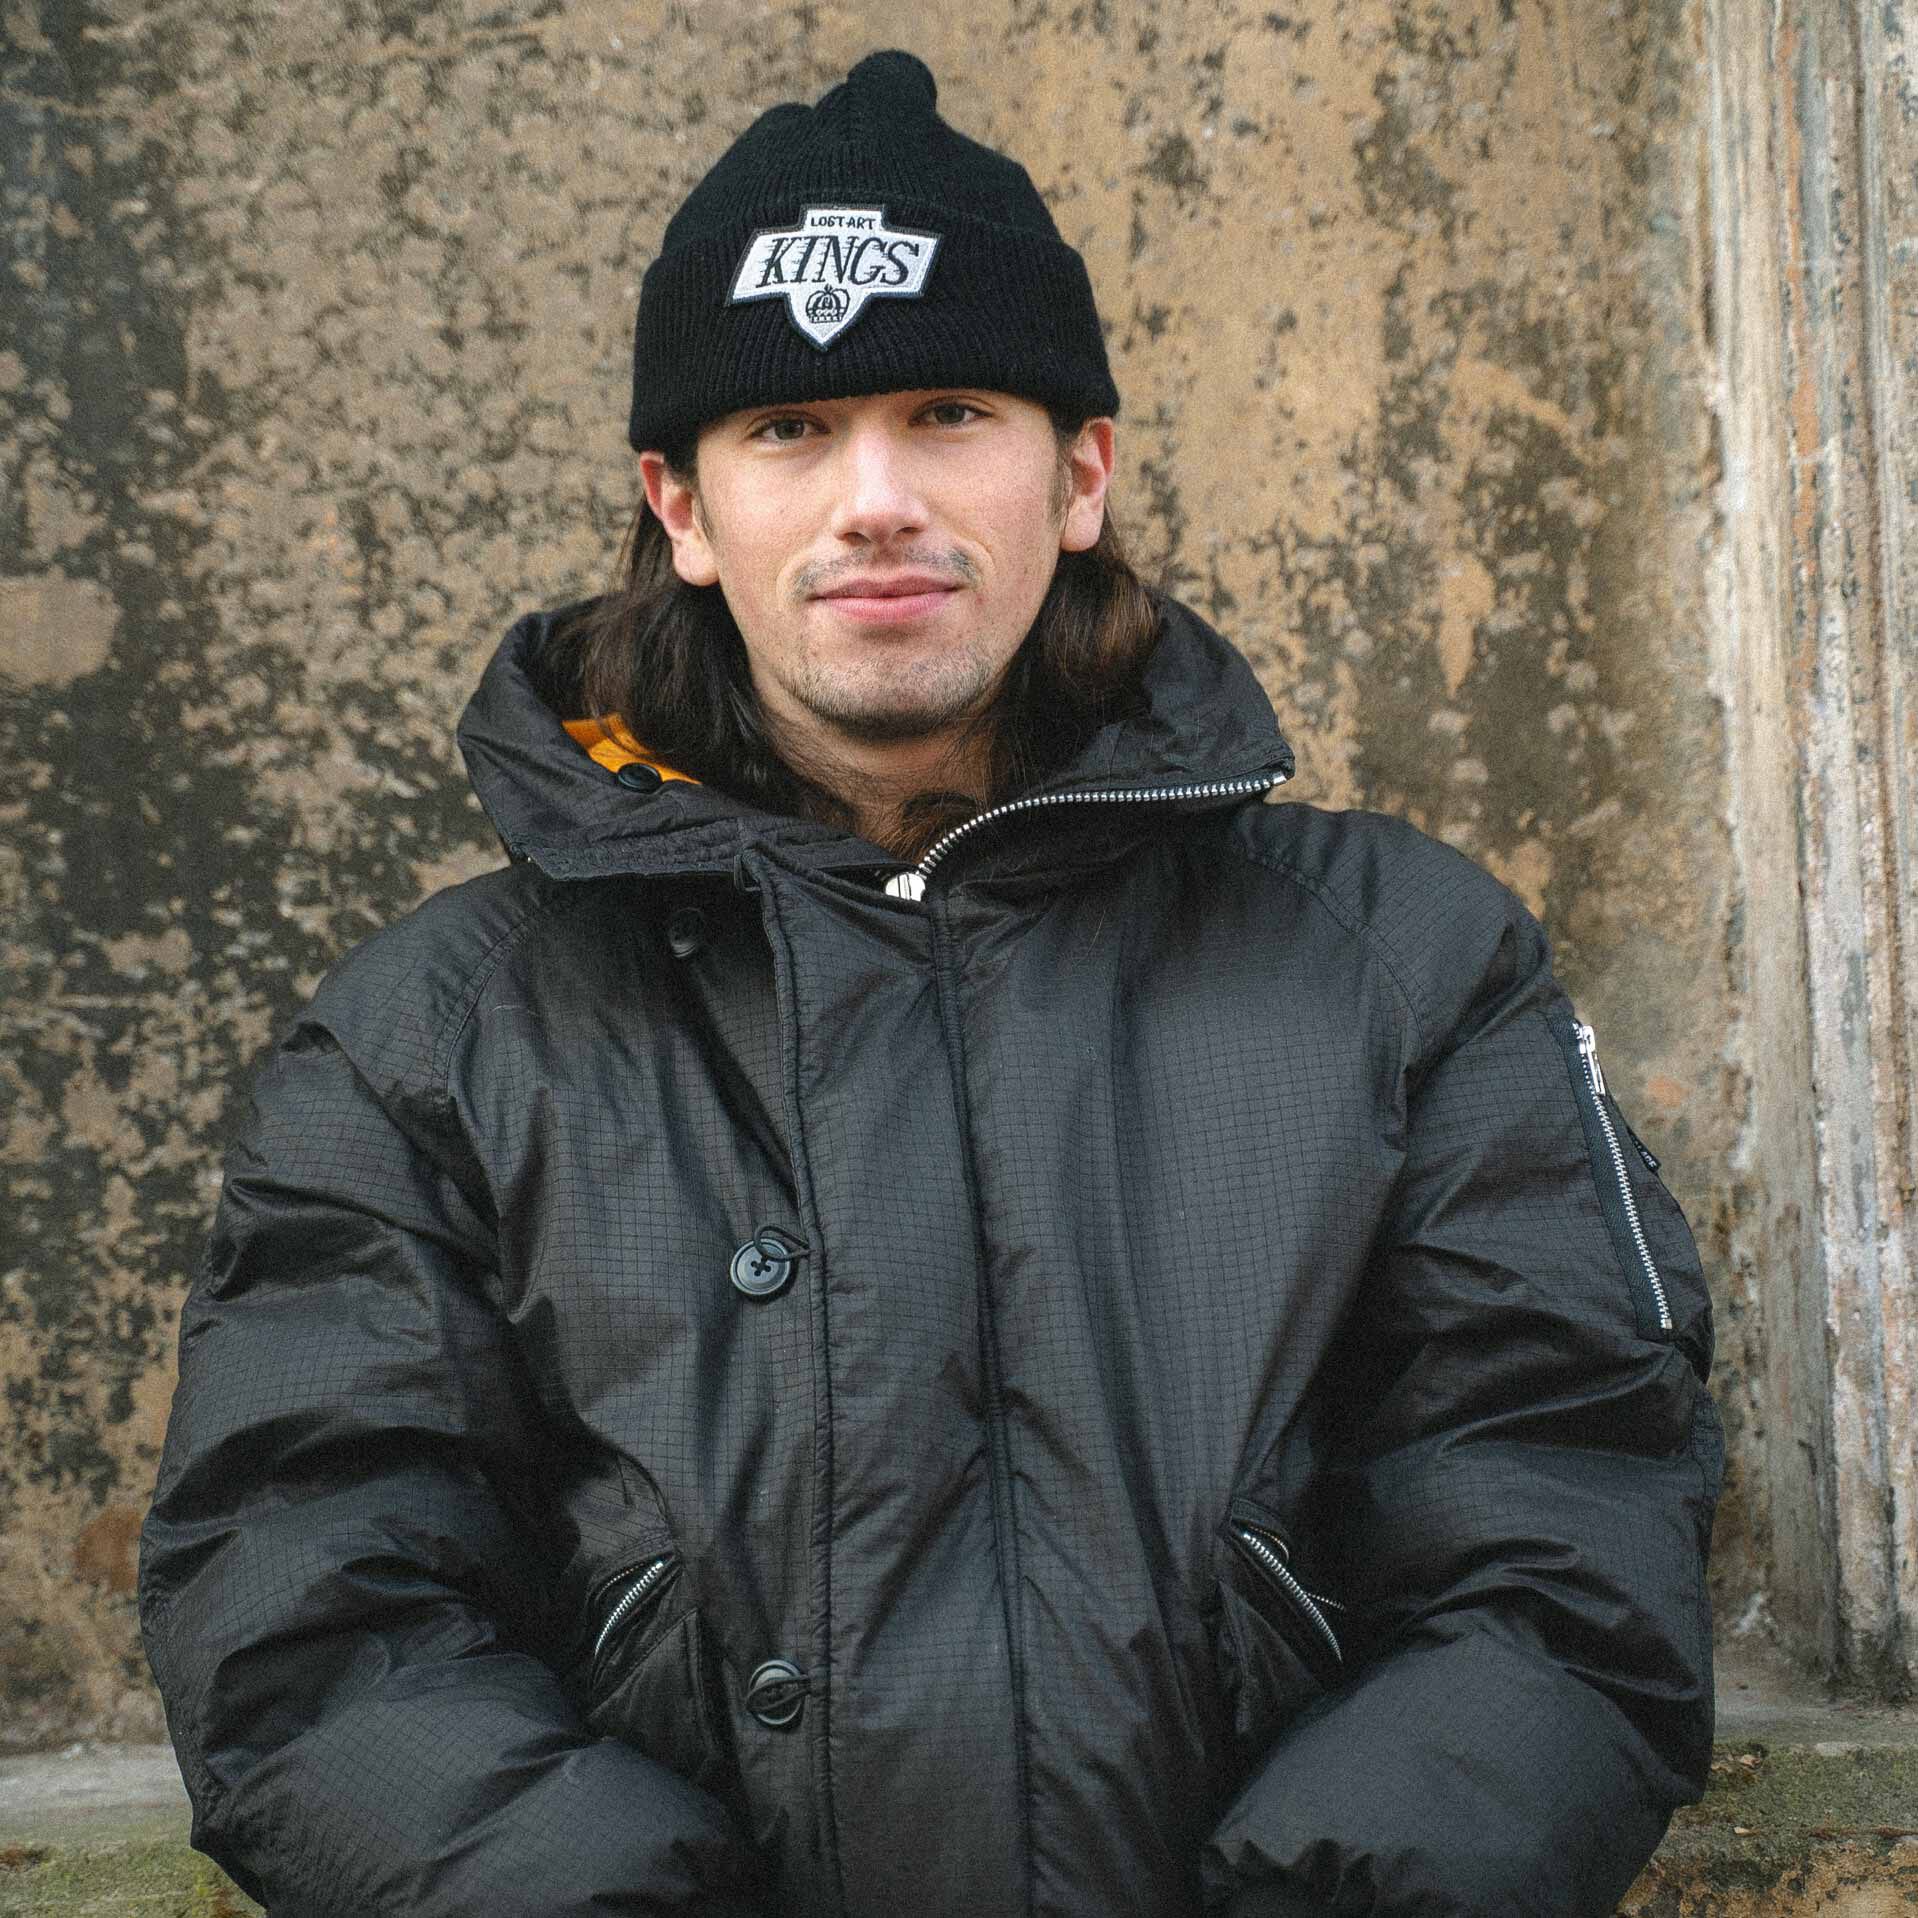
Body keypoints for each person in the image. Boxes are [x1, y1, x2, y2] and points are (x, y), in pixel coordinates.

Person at [140, 50, 1722, 1918]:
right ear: (680, 504)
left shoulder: (1397, 964)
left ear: (1078, 476)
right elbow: (311, 1613)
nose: (875, 498)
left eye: (948, 410)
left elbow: (1561, 1533)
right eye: (790, 431)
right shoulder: (437, 1037)